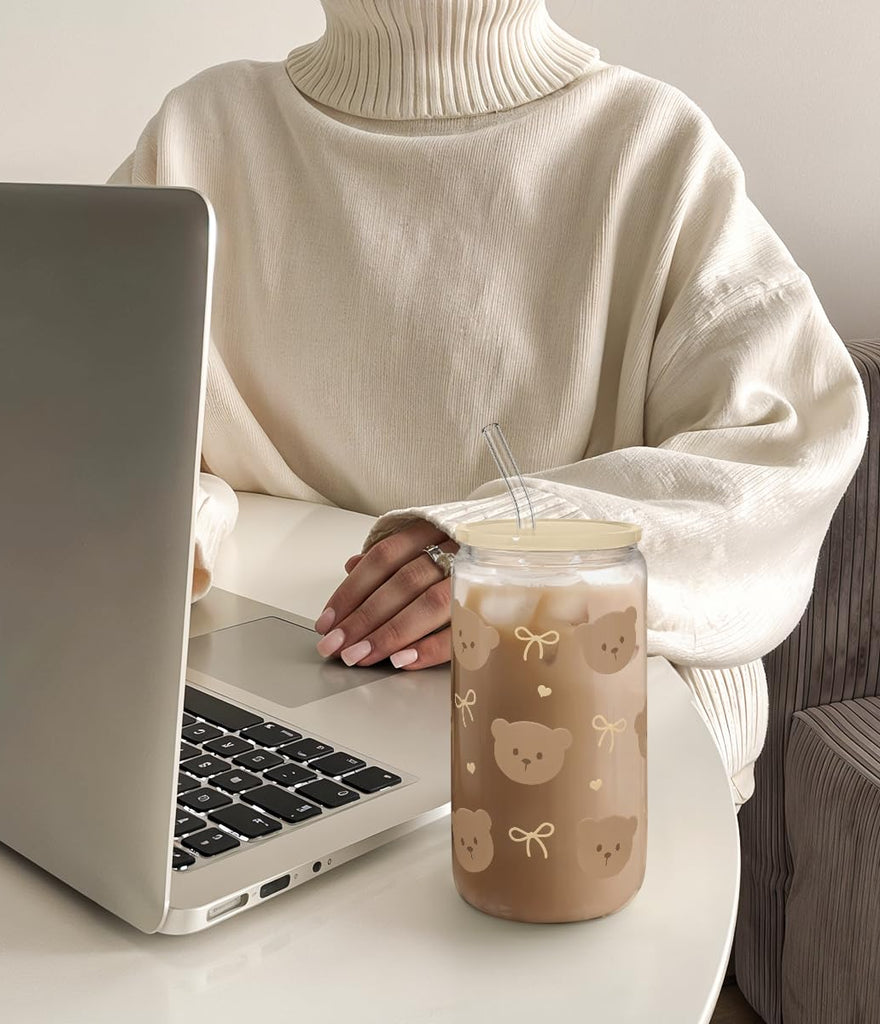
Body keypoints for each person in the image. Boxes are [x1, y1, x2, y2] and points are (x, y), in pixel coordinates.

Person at [107, 0, 867, 806]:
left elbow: (788, 449)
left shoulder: (647, 141)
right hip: (243, 685)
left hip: (582, 719)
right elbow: (78, 417)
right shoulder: (201, 132)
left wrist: (520, 547)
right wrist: (173, 524)